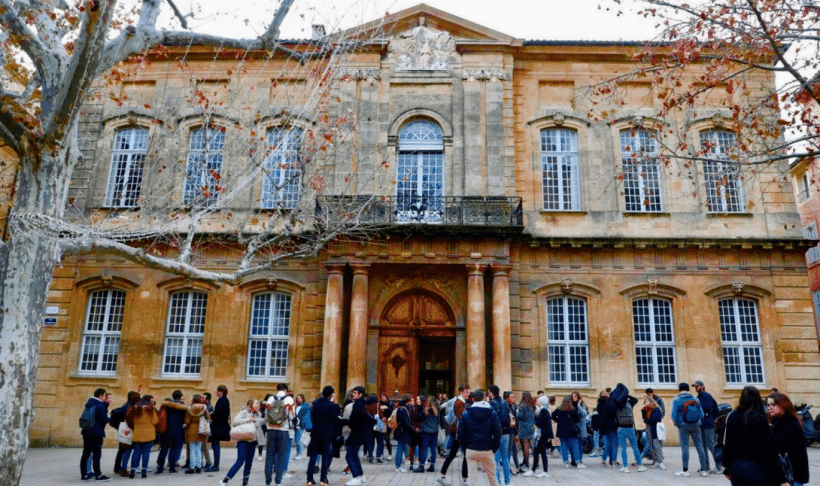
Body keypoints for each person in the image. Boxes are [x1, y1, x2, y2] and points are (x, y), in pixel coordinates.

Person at [723, 386, 788, 486]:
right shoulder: (760, 419)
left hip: (737, 468)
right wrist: (782, 478)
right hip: (757, 468)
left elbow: (728, 444)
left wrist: (727, 468)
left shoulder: (732, 416)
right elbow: (769, 450)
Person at [458, 390, 501, 486]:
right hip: (487, 449)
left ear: (473, 399)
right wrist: (494, 447)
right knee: (493, 478)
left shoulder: (466, 413)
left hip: (471, 449)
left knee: (472, 480)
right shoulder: (492, 413)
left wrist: (465, 448)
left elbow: (460, 434)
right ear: (483, 397)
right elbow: (498, 432)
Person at [767, 392, 809, 486]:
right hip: (783, 473)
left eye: (773, 405)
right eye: (768, 405)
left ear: (783, 405)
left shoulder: (790, 422)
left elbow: (781, 445)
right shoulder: (775, 422)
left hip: (793, 473)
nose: (769, 407)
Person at [219, 399, 264, 486]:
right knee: (240, 460)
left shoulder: (258, 415)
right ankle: (225, 481)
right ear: (251, 405)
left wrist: (269, 412)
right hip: (243, 440)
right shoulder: (244, 412)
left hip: (252, 441)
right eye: (256, 403)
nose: (258, 405)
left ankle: (245, 482)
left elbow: (263, 422)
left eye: (259, 404)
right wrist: (247, 420)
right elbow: (235, 421)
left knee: (249, 463)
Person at [671, 382, 708, 477]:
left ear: (679, 389)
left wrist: (678, 425)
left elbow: (674, 416)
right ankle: (704, 470)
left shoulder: (676, 399)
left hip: (683, 425)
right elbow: (702, 415)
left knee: (685, 447)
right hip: (696, 425)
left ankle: (685, 470)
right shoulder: (695, 399)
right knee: (700, 446)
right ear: (688, 389)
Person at [307, 386, 342, 486]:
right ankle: (323, 480)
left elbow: (312, 417)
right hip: (326, 434)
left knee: (313, 457)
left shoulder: (316, 403)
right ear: (331, 395)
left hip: (315, 432)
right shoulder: (331, 406)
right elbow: (335, 420)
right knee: (325, 457)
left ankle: (309, 480)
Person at [437, 384, 470, 486]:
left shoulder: (460, 402)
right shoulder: (460, 403)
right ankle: (464, 479)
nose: (468, 394)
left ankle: (442, 475)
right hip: (460, 433)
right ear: (461, 391)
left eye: (469, 392)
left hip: (457, 432)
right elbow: (461, 419)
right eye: (466, 392)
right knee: (465, 455)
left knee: (453, 454)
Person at [265, 384, 296, 486]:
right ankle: (278, 481)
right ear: (286, 390)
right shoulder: (289, 399)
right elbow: (292, 416)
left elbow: (266, 414)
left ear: (277, 389)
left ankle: (267, 481)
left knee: (270, 456)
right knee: (281, 456)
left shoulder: (270, 398)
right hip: (283, 430)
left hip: (270, 430)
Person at [80, 387, 113, 481]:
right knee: (96, 454)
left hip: (86, 432)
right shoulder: (100, 405)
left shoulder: (89, 403)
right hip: (96, 433)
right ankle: (98, 475)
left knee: (86, 453)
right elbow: (104, 419)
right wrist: (110, 416)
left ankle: (84, 474)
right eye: (105, 395)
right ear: (101, 396)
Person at [344, 386, 374, 485]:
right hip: (359, 433)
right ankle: (361, 476)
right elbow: (367, 417)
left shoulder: (358, 405)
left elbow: (354, 420)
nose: (353, 394)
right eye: (353, 392)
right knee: (354, 456)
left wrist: (347, 422)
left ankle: (356, 477)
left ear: (360, 394)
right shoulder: (361, 404)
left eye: (355, 393)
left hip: (356, 433)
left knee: (349, 456)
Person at [693, 380, 722, 473]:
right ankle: (705, 466)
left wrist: (712, 419)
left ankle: (718, 467)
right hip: (701, 424)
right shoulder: (698, 397)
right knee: (703, 447)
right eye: (695, 386)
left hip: (708, 424)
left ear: (702, 386)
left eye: (697, 386)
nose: (696, 388)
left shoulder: (707, 396)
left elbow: (710, 407)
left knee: (711, 445)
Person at [126, 395, 158, 479]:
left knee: (136, 452)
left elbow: (130, 420)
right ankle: (144, 471)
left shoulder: (136, 409)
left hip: (137, 434)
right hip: (149, 434)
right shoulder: (151, 410)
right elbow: (155, 421)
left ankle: (133, 470)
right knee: (146, 453)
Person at [156, 390, 187, 474]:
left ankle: (160, 467)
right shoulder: (183, 406)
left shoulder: (166, 405)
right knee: (174, 449)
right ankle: (172, 467)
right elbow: (185, 418)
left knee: (164, 449)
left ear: (172, 396)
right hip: (178, 430)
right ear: (181, 397)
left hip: (167, 430)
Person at [551, 395, 586, 469]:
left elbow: (552, 416)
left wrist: (558, 421)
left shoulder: (559, 409)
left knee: (564, 446)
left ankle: (566, 461)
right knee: (575, 446)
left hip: (562, 430)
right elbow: (577, 420)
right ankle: (577, 461)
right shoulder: (573, 410)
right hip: (572, 430)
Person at [614, 392, 644, 473]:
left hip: (621, 427)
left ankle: (625, 467)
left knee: (623, 448)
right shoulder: (630, 403)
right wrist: (627, 395)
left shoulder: (617, 404)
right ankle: (640, 466)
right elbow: (635, 399)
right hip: (630, 427)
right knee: (635, 446)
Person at [112, 390, 140, 477]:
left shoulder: (127, 405)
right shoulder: (128, 407)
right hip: (127, 431)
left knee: (122, 450)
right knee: (125, 450)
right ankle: (122, 469)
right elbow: (128, 419)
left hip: (124, 430)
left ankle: (117, 468)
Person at [487, 385, 511, 485]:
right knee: (505, 458)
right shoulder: (505, 403)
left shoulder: (491, 404)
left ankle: (498, 482)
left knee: (496, 459)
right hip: (506, 433)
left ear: (492, 392)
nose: (488, 394)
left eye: (489, 392)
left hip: (495, 434)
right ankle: (508, 481)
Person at [182, 394, 210, 474]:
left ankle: (192, 467)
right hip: (201, 430)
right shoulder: (204, 408)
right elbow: (208, 418)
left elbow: (187, 421)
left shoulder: (190, 409)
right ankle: (199, 467)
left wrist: (184, 425)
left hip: (191, 430)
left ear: (193, 400)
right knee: (199, 449)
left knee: (192, 449)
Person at [527, 396, 553, 477]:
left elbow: (538, 422)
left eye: (539, 401)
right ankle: (542, 471)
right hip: (544, 434)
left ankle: (535, 470)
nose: (537, 402)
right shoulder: (544, 410)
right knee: (542, 452)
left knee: (537, 452)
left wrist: (535, 415)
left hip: (542, 435)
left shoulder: (543, 411)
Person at [207, 385, 231, 473]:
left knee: (215, 445)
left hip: (218, 427)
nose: (216, 392)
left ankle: (216, 465)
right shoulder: (225, 400)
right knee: (215, 445)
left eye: (217, 391)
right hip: (220, 426)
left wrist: (211, 414)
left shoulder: (222, 400)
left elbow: (219, 413)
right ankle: (215, 464)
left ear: (221, 392)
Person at [392, 394, 415, 473]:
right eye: (411, 399)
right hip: (402, 432)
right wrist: (412, 429)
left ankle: (401, 464)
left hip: (401, 431)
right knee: (400, 448)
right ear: (407, 400)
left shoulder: (402, 408)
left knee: (401, 447)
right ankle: (398, 466)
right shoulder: (402, 409)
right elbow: (405, 422)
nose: (412, 400)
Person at [416, 395, 440, 473]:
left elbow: (419, 419)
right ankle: (432, 466)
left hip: (426, 432)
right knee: (433, 449)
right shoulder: (436, 411)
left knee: (425, 449)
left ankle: (422, 466)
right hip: (434, 432)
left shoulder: (425, 411)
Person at [641, 396, 665, 470]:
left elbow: (655, 419)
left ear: (651, 402)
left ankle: (661, 462)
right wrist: (643, 410)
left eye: (647, 401)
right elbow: (644, 417)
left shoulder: (656, 409)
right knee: (651, 446)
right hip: (649, 429)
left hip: (655, 429)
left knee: (657, 446)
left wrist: (647, 421)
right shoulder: (647, 410)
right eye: (645, 402)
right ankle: (655, 461)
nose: (646, 403)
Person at [596, 390, 618, 467]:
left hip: (604, 426)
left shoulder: (599, 403)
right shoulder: (610, 403)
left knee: (608, 443)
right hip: (611, 425)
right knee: (614, 444)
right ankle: (613, 460)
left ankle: (604, 459)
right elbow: (613, 412)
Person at [516, 391, 535, 473]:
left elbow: (520, 416)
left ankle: (526, 463)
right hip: (530, 427)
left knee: (525, 446)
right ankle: (525, 461)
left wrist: (516, 412)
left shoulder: (522, 405)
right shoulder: (531, 405)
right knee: (527, 445)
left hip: (523, 427)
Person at [503, 392, 520, 473]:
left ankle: (517, 466)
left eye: (514, 397)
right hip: (509, 430)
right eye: (512, 397)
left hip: (513, 430)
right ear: (507, 398)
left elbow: (515, 419)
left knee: (514, 449)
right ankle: (507, 468)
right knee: (508, 450)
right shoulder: (505, 406)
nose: (514, 398)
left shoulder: (512, 406)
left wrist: (516, 433)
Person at [294, 394, 311, 460]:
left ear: (302, 398)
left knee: (299, 440)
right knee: (296, 440)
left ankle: (300, 454)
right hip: (297, 424)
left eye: (299, 398)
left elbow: (304, 416)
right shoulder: (298, 406)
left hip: (301, 425)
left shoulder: (305, 406)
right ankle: (298, 453)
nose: (298, 399)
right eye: (297, 398)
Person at [203, 392, 215, 469]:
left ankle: (208, 462)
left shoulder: (209, 407)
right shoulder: (207, 406)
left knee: (204, 446)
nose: (202, 399)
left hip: (205, 429)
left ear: (207, 399)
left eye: (203, 398)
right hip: (205, 428)